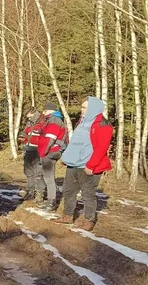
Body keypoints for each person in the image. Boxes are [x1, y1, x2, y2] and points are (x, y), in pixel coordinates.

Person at [56, 97, 113, 230]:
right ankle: (67, 216)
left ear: (93, 108)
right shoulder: (81, 122)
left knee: (88, 194)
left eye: (84, 107)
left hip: (89, 166)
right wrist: (67, 158)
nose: (81, 110)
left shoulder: (103, 125)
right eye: (82, 107)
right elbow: (75, 142)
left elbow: (101, 148)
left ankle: (89, 220)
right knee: (68, 191)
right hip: (73, 164)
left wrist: (91, 165)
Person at [37, 102, 68, 211]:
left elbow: (50, 139)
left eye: (44, 111)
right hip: (52, 150)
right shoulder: (53, 119)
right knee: (48, 177)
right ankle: (51, 201)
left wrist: (43, 153)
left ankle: (51, 203)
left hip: (50, 151)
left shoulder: (54, 120)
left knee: (48, 178)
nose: (42, 113)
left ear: (50, 111)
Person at [19, 107, 45, 200]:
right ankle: (30, 191)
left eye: (28, 116)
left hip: (38, 151)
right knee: (28, 172)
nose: (27, 118)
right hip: (28, 149)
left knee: (38, 173)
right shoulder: (30, 122)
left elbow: (45, 136)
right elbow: (25, 131)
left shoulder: (43, 121)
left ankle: (39, 193)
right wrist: (22, 137)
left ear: (32, 113)